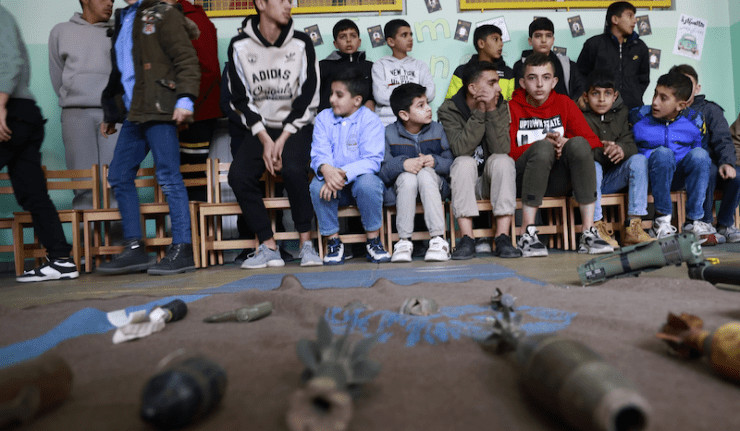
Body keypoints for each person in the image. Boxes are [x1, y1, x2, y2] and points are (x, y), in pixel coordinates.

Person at [98, 0, 200, 276]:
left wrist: (186, 99)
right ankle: (134, 248)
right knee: (119, 174)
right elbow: (121, 71)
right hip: (136, 111)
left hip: (160, 107)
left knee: (168, 176)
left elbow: (186, 59)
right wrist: (111, 112)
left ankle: (182, 248)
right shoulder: (124, 17)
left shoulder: (163, 13)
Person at [226, 0, 321, 269]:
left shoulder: (301, 42)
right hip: (260, 128)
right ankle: (268, 246)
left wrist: (283, 137)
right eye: (282, 0)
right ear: (261, 4)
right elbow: (239, 98)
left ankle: (306, 244)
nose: (289, 5)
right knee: (238, 176)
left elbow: (309, 94)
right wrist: (265, 138)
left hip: (296, 126)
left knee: (293, 169)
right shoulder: (239, 45)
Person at [1, 5, 79, 282]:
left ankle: (61, 259)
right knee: (33, 192)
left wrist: (0, 105)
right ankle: (61, 260)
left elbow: (11, 61)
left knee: (33, 193)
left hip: (12, 112)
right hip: (21, 113)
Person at [509, 53, 613, 257]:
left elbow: (593, 141)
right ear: (522, 82)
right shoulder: (511, 107)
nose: (540, 84)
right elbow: (507, 152)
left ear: (554, 81)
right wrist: (539, 145)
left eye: (546, 77)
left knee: (579, 144)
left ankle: (588, 232)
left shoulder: (564, 103)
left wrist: (565, 143)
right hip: (522, 178)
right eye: (532, 78)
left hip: (556, 180)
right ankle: (527, 234)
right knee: (543, 148)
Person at [438, 61, 521, 259]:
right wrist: (479, 113)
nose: (499, 88)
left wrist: (491, 110)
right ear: (473, 88)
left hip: (490, 182)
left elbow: (501, 148)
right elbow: (461, 149)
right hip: (464, 182)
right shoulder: (449, 109)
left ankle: (502, 237)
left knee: (503, 160)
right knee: (463, 162)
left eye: (498, 82)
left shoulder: (500, 105)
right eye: (492, 83)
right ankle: (467, 238)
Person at [309, 69, 390, 265]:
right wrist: (326, 169)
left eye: (339, 95)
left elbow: (372, 160)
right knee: (316, 187)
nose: (332, 99)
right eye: (331, 94)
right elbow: (319, 153)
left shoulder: (370, 120)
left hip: (358, 184)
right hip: (332, 185)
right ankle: (333, 242)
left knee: (369, 184)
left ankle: (373, 241)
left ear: (357, 100)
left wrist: (342, 175)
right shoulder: (323, 118)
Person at [48, 0, 118, 209]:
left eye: (113, 0)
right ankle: (85, 231)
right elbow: (57, 76)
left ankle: (118, 232)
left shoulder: (120, 30)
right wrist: (75, 95)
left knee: (116, 183)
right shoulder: (61, 31)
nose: (110, 3)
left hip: (114, 114)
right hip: (76, 114)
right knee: (83, 185)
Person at [630, 72, 712, 241]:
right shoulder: (638, 115)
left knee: (701, 155)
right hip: (650, 176)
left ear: (681, 105)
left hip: (681, 176)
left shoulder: (695, 119)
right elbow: (629, 150)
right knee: (663, 153)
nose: (655, 102)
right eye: (655, 94)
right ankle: (661, 220)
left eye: (663, 98)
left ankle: (693, 221)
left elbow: (699, 152)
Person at [380, 83, 452, 262]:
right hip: (402, 190)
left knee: (425, 174)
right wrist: (403, 164)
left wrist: (435, 161)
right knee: (408, 178)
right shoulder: (388, 133)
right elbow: (382, 171)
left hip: (435, 187)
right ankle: (404, 241)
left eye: (427, 103)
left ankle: (438, 239)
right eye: (421, 105)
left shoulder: (437, 129)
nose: (428, 109)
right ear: (404, 115)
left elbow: (451, 163)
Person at [580, 69, 653, 247]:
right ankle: (595, 225)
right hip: (585, 183)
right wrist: (603, 149)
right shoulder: (579, 115)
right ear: (586, 96)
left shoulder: (621, 113)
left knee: (639, 160)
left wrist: (621, 149)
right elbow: (577, 149)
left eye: (607, 93)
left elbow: (631, 144)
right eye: (595, 93)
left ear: (615, 96)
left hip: (611, 179)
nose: (601, 99)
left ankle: (633, 226)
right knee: (594, 165)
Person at [670, 64, 740, 243]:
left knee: (737, 175)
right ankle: (704, 222)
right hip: (684, 169)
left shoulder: (711, 110)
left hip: (715, 167)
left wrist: (727, 163)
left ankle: (725, 224)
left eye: (689, 84)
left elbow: (723, 140)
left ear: (697, 88)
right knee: (706, 168)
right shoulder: (668, 110)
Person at [172, 0, 222, 202]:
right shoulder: (176, 16)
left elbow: (209, 71)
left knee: (191, 175)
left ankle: (195, 223)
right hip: (187, 110)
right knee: (183, 174)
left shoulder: (193, 19)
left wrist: (186, 109)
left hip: (197, 113)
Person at [577, 1, 649, 110]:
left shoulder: (640, 46)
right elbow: (580, 75)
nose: (635, 20)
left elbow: (643, 78)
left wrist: (634, 94)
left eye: (634, 16)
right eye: (630, 15)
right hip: (600, 109)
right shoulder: (594, 44)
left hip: (632, 108)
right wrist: (585, 96)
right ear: (615, 19)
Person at [372, 19, 435, 127]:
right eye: (404, 35)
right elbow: (380, 96)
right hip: (386, 121)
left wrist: (397, 95)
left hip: (416, 122)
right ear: (391, 41)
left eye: (411, 35)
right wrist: (414, 99)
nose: (410, 39)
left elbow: (430, 93)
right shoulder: (380, 65)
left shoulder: (420, 65)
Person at [512, 17, 584, 100]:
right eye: (538, 36)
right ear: (530, 41)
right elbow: (519, 95)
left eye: (548, 36)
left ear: (553, 40)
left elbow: (580, 90)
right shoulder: (520, 66)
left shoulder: (567, 65)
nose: (543, 40)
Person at [445, 24, 515, 101]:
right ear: (481, 43)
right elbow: (450, 103)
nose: (501, 44)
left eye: (501, 40)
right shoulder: (462, 71)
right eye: (495, 39)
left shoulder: (509, 73)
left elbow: (511, 104)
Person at [318, 19, 374, 113]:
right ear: (335, 44)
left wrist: (371, 101)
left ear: (359, 42)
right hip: (331, 117)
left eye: (353, 36)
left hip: (361, 117)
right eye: (343, 37)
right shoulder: (323, 66)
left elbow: (373, 94)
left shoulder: (369, 66)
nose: (348, 40)